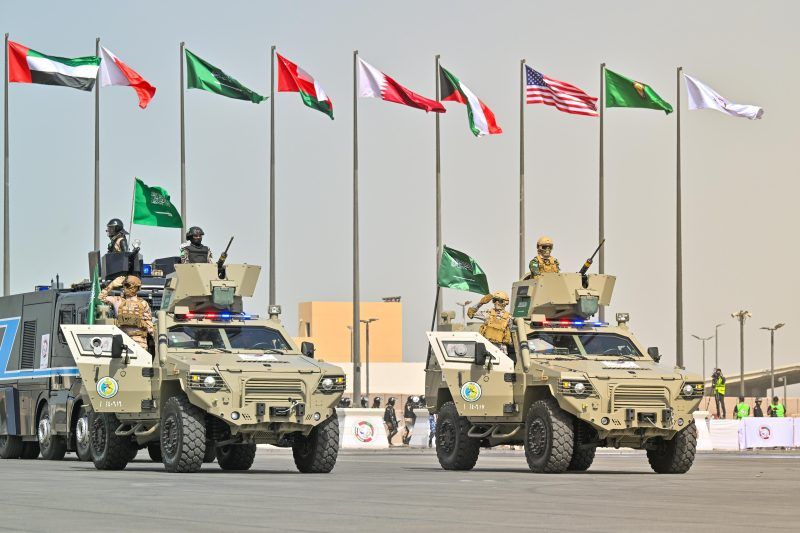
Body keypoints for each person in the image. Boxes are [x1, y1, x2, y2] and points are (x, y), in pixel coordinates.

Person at [99, 275, 153, 352]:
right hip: (122, 340)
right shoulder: (117, 300)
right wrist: (112, 285)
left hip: (139, 341)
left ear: (136, 288)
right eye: (124, 285)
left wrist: (151, 341)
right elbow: (100, 297)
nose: (124, 288)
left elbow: (149, 325)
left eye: (127, 285)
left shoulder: (143, 303)